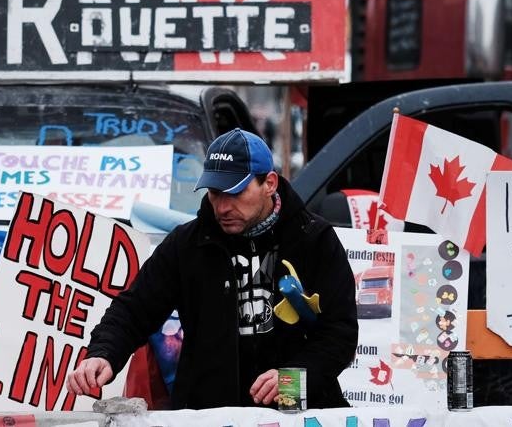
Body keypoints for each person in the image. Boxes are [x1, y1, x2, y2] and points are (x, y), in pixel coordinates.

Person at [67, 128, 358, 409]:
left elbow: (340, 332)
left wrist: (295, 380)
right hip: (210, 412)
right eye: (215, 193)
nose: (222, 207)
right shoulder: (187, 244)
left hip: (294, 411)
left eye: (235, 193)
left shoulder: (314, 238)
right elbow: (134, 309)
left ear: (269, 183)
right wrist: (103, 354)